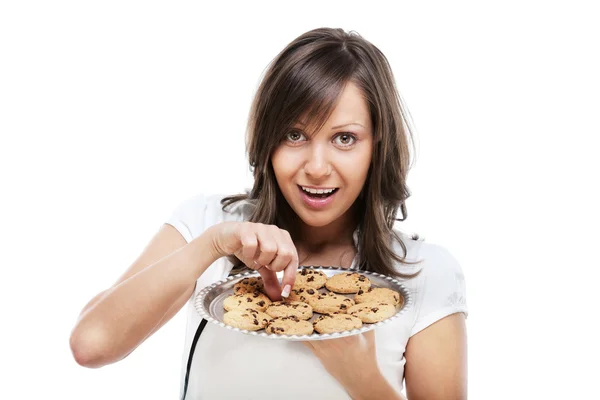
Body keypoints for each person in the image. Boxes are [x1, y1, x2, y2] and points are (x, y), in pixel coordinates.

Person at [69, 27, 468, 399]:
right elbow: (91, 345)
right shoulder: (209, 223)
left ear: (377, 145)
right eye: (295, 135)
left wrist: (361, 378)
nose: (316, 167)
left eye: (344, 138)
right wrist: (213, 244)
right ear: (268, 138)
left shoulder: (425, 273)